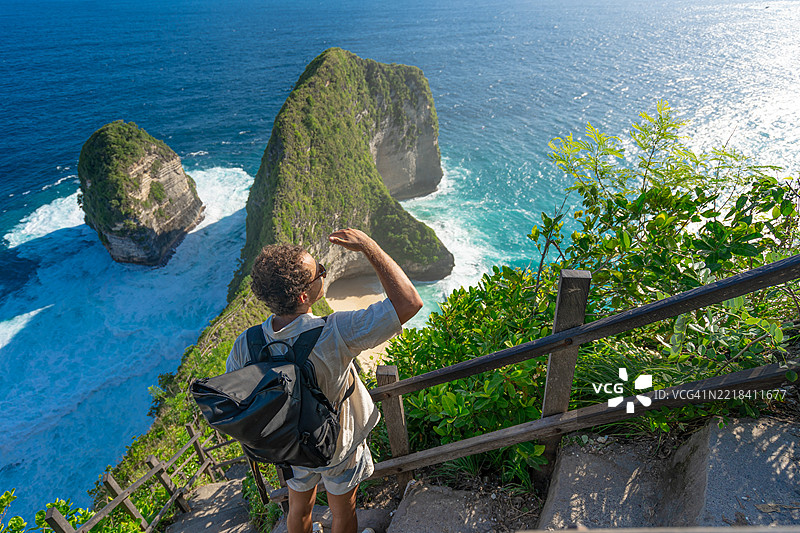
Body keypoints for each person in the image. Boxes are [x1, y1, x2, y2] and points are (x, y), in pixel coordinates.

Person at [226, 228, 423, 533]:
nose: (323, 271)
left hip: (287, 444)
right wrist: (369, 246)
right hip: (335, 445)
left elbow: (237, 398)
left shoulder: (247, 343)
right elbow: (409, 302)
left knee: (299, 506)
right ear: (304, 296)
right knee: (342, 510)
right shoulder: (335, 332)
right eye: (319, 271)